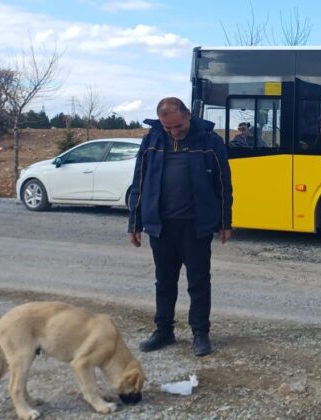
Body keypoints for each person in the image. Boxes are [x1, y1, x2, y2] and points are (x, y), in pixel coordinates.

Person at [127, 97, 233, 357]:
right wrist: (135, 222)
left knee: (198, 282)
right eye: (167, 128)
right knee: (164, 281)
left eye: (177, 126)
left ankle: (200, 334)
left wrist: (225, 222)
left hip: (196, 227)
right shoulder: (152, 140)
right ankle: (164, 331)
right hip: (161, 227)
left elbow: (223, 183)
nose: (174, 132)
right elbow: (138, 182)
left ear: (187, 115)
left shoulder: (209, 141)